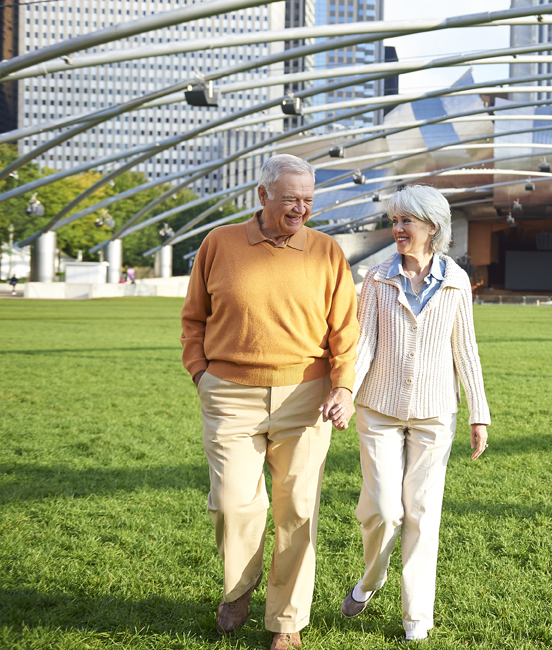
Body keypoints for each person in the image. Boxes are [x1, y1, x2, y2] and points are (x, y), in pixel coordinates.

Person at [180, 154, 359, 650]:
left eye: (307, 199)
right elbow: (193, 316)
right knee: (233, 503)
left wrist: (343, 386)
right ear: (262, 197)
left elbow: (345, 330)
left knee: (297, 508)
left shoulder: (326, 252)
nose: (301, 208)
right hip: (229, 395)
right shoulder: (220, 243)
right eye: (290, 199)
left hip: (307, 397)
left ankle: (287, 622)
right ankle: (240, 586)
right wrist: (200, 371)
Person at [341, 185, 490, 643]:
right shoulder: (376, 277)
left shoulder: (456, 280)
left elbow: (464, 346)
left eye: (407, 220)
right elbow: (364, 343)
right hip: (378, 409)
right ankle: (371, 580)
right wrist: (346, 390)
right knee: (383, 512)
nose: (398, 228)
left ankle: (416, 619)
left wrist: (478, 412)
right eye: (394, 220)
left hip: (434, 413)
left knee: (423, 515)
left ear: (433, 226)